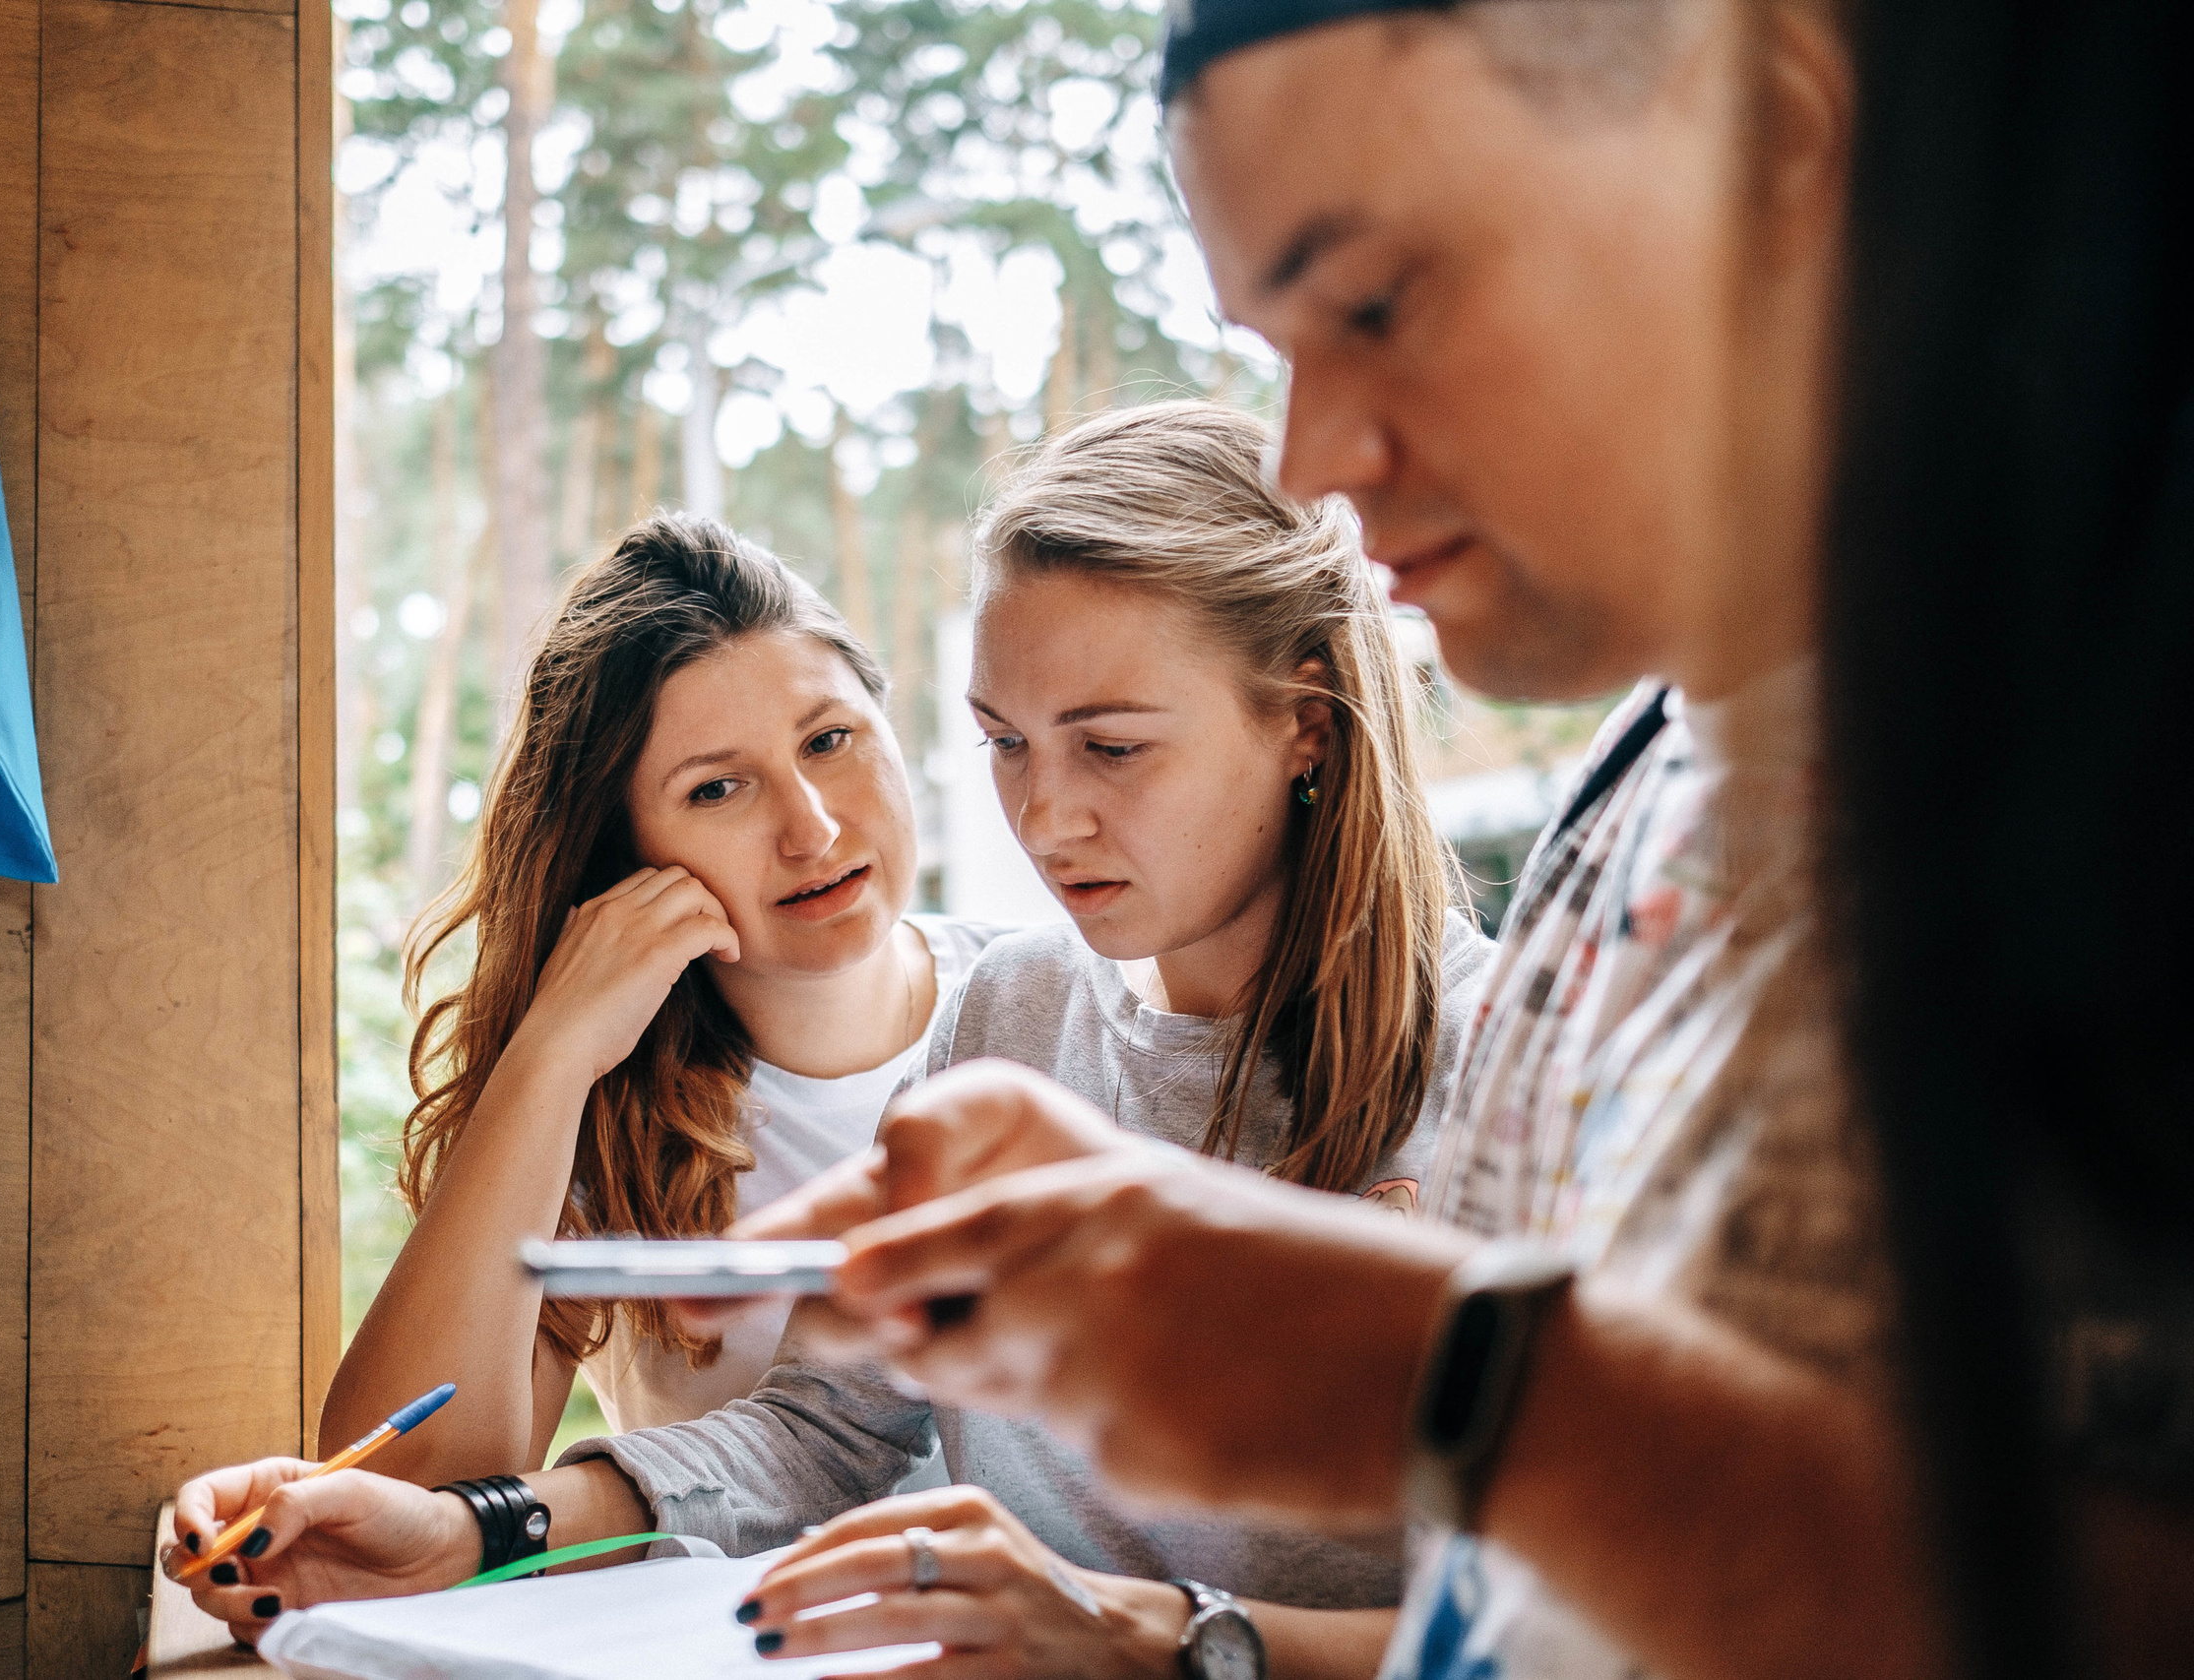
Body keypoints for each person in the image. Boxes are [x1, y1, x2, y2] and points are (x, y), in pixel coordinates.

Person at [722, 5, 1948, 1680]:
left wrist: (1427, 1375)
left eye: (1376, 299)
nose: (1313, 460)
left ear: (1768, 156)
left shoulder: (2065, 790)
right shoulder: (1646, 790)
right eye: (1280, 343)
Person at [169, 403, 1494, 1679]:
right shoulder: (1011, 1020)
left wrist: (1153, 1631)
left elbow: (1575, 1616)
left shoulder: (1509, 1056)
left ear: (1304, 720)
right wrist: (470, 1529)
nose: (1045, 818)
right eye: (1006, 745)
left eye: (1112, 747)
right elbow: (831, 1422)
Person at [316, 512, 1005, 1489]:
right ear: (626, 854)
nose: (809, 829)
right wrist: (551, 1054)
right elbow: (399, 1497)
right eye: (717, 790)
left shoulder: (1055, 1002)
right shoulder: (611, 1120)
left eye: (829, 739)